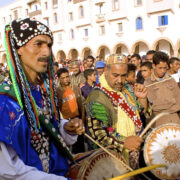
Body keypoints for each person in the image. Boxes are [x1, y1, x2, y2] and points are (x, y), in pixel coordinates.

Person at [0, 18, 84, 180]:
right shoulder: (5, 101)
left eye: (48, 45)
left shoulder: (41, 90)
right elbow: (8, 170)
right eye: (38, 44)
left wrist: (66, 128)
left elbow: (44, 127)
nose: (46, 52)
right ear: (19, 49)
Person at [85, 54, 150, 169]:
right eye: (115, 75)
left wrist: (143, 99)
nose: (120, 80)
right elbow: (98, 134)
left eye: (123, 76)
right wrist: (124, 142)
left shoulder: (128, 89)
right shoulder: (95, 97)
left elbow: (143, 113)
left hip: (136, 154)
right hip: (112, 162)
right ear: (105, 71)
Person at [144, 51, 180, 127]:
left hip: (174, 120)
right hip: (157, 121)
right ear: (153, 66)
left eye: (165, 68)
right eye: (160, 68)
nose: (163, 71)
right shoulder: (148, 83)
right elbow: (152, 106)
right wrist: (168, 106)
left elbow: (178, 100)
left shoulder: (171, 80)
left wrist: (171, 109)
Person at [56, 68, 85, 153]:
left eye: (67, 77)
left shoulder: (75, 88)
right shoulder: (57, 91)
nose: (66, 79)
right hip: (66, 123)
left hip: (77, 119)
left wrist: (82, 120)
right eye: (63, 78)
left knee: (79, 146)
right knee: (67, 148)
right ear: (58, 79)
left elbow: (82, 105)